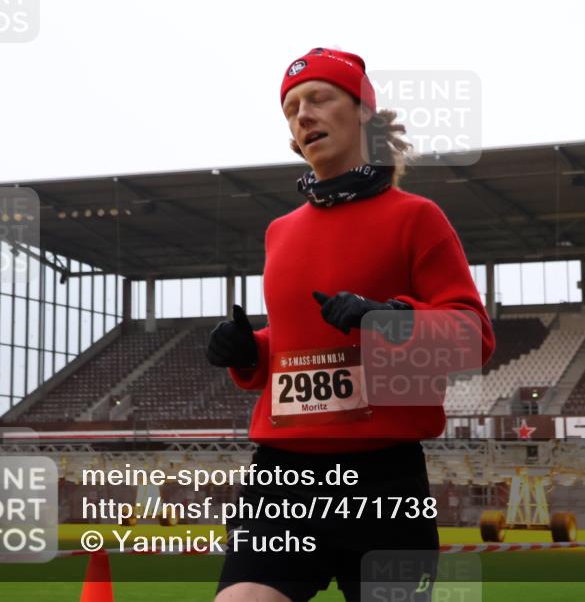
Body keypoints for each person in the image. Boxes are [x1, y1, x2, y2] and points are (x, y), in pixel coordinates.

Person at [207, 47, 496, 602]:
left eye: (318, 98)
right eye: (291, 108)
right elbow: (295, 346)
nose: (303, 115)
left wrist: (388, 319)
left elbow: (473, 338)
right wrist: (250, 353)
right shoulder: (279, 232)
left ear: (363, 111)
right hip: (282, 482)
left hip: (384, 482)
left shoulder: (417, 217)